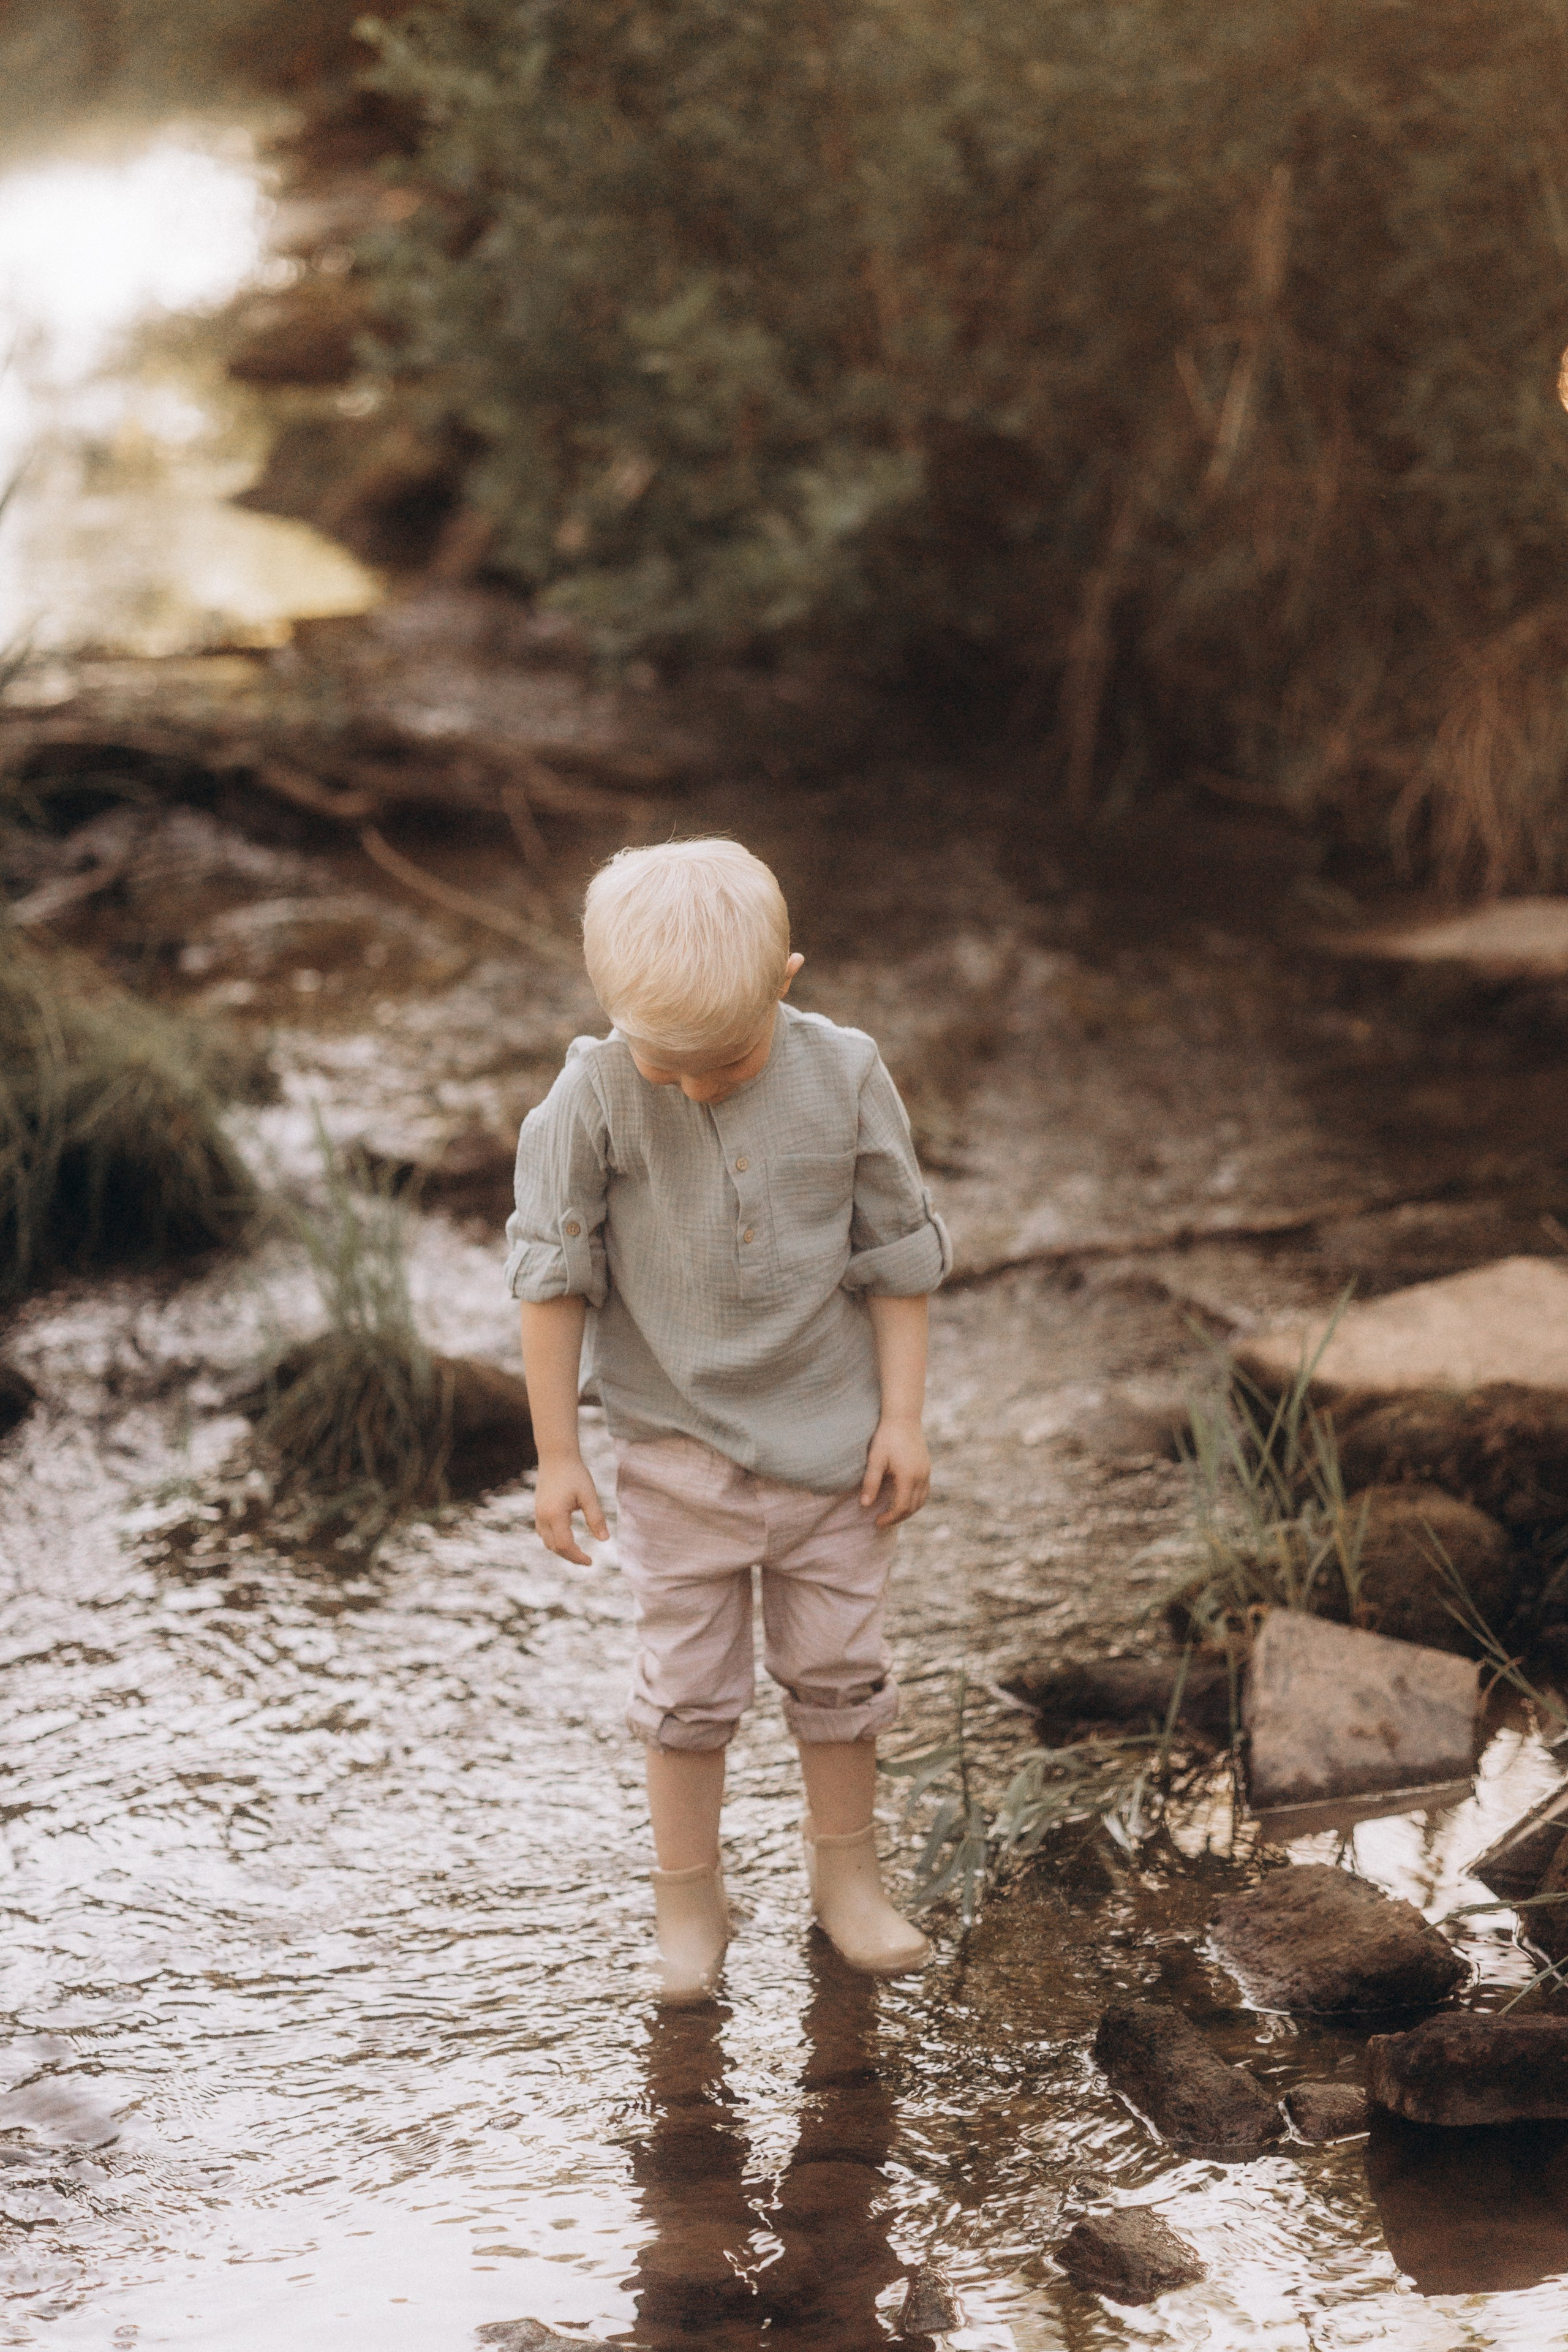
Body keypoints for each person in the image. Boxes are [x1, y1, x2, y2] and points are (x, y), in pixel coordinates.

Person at [507, 837, 950, 2002]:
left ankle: (846, 1882)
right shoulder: (592, 1095)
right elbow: (552, 1277)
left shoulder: (849, 1072)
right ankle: (687, 1899)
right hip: (672, 1455)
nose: (695, 1083)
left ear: (787, 978)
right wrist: (559, 1455)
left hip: (836, 1452)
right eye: (668, 1061)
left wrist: (903, 1418)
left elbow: (896, 1258)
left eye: (727, 1057)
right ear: (613, 1012)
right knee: (688, 1692)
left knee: (841, 1672)